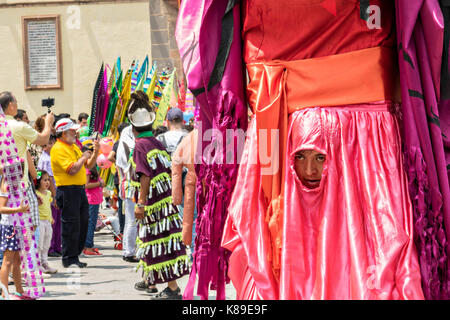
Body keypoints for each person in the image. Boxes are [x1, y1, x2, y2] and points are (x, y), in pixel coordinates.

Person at [128, 91, 190, 300]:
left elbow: (144, 175)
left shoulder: (140, 146)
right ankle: (150, 282)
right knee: (150, 241)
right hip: (164, 201)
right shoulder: (155, 142)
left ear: (133, 127)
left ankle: (172, 288)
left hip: (154, 205)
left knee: (156, 240)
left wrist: (141, 204)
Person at [51, 118, 100, 268]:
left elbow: (88, 165)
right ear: (63, 132)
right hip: (67, 190)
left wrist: (95, 152)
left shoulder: (73, 146)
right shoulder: (59, 148)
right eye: (72, 130)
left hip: (78, 189)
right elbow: (72, 169)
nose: (75, 132)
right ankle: (69, 257)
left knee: (82, 222)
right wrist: (84, 157)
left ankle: (75, 255)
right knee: (71, 224)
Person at [0, 165, 35, 300]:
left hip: (17, 226)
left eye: (21, 170)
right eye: (17, 170)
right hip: (9, 227)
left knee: (17, 261)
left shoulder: (16, 185)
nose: (20, 174)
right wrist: (19, 209)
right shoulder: (6, 185)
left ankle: (20, 291)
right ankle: (4, 294)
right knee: (7, 261)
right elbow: (1, 208)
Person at [115, 120, 139, 264]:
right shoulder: (127, 143)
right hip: (130, 185)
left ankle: (128, 249)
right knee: (132, 220)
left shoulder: (125, 143)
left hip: (128, 184)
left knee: (131, 220)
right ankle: (129, 252)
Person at [37, 135, 61, 257]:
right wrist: (55, 196)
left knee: (57, 222)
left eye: (48, 145)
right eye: (44, 146)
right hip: (51, 193)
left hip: (55, 191)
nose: (46, 148)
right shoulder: (46, 159)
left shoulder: (53, 156)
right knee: (52, 222)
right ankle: (51, 247)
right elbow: (49, 179)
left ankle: (57, 246)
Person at [83, 140, 104, 256]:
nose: (93, 154)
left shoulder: (93, 166)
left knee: (91, 222)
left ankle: (88, 245)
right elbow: (86, 185)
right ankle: (88, 247)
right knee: (90, 223)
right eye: (91, 152)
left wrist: (100, 181)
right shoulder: (87, 167)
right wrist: (99, 184)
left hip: (95, 199)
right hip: (90, 199)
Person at [107, 122, 130, 235]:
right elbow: (109, 157)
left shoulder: (117, 143)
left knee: (122, 205)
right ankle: (124, 229)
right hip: (126, 178)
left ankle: (122, 230)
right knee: (127, 204)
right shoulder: (128, 142)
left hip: (119, 178)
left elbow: (110, 157)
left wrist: (118, 162)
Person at [34, 170, 57, 274]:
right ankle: (37, 264)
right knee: (39, 243)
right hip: (39, 222)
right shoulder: (35, 194)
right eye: (44, 180)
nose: (47, 182)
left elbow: (48, 207)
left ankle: (44, 262)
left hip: (47, 222)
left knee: (46, 243)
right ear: (38, 182)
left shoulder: (48, 193)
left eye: (48, 180)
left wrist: (51, 218)